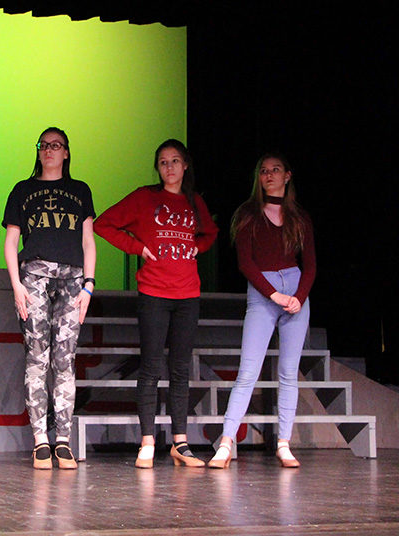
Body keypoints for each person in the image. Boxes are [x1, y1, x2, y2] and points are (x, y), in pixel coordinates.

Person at [94, 138, 217, 468]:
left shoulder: (194, 202)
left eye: (175, 161)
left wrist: (198, 248)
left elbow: (210, 234)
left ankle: (180, 442)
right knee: (150, 367)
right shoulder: (144, 198)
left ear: (185, 165)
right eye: (163, 162)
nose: (169, 167)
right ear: (157, 167)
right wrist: (138, 248)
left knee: (179, 369)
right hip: (154, 293)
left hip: (188, 295)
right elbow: (102, 224)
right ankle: (146, 441)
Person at [208, 154, 315, 469]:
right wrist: (274, 294)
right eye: (264, 171)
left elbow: (310, 266)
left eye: (275, 170)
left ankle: (284, 443)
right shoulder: (248, 214)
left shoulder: (300, 217)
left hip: (295, 290)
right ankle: (226, 442)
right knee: (248, 371)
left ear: (287, 176)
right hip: (263, 291)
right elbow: (245, 262)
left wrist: (298, 297)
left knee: (288, 373)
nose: (269, 175)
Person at [2, 127, 96, 470]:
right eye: (44, 145)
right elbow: (11, 242)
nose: (49, 150)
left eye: (56, 145)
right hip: (34, 277)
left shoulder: (79, 190)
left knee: (64, 359)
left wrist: (89, 285)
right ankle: (41, 439)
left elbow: (88, 241)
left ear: (67, 152)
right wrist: (16, 285)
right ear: (38, 151)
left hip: (73, 278)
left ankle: (63, 441)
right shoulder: (23, 190)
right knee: (37, 357)